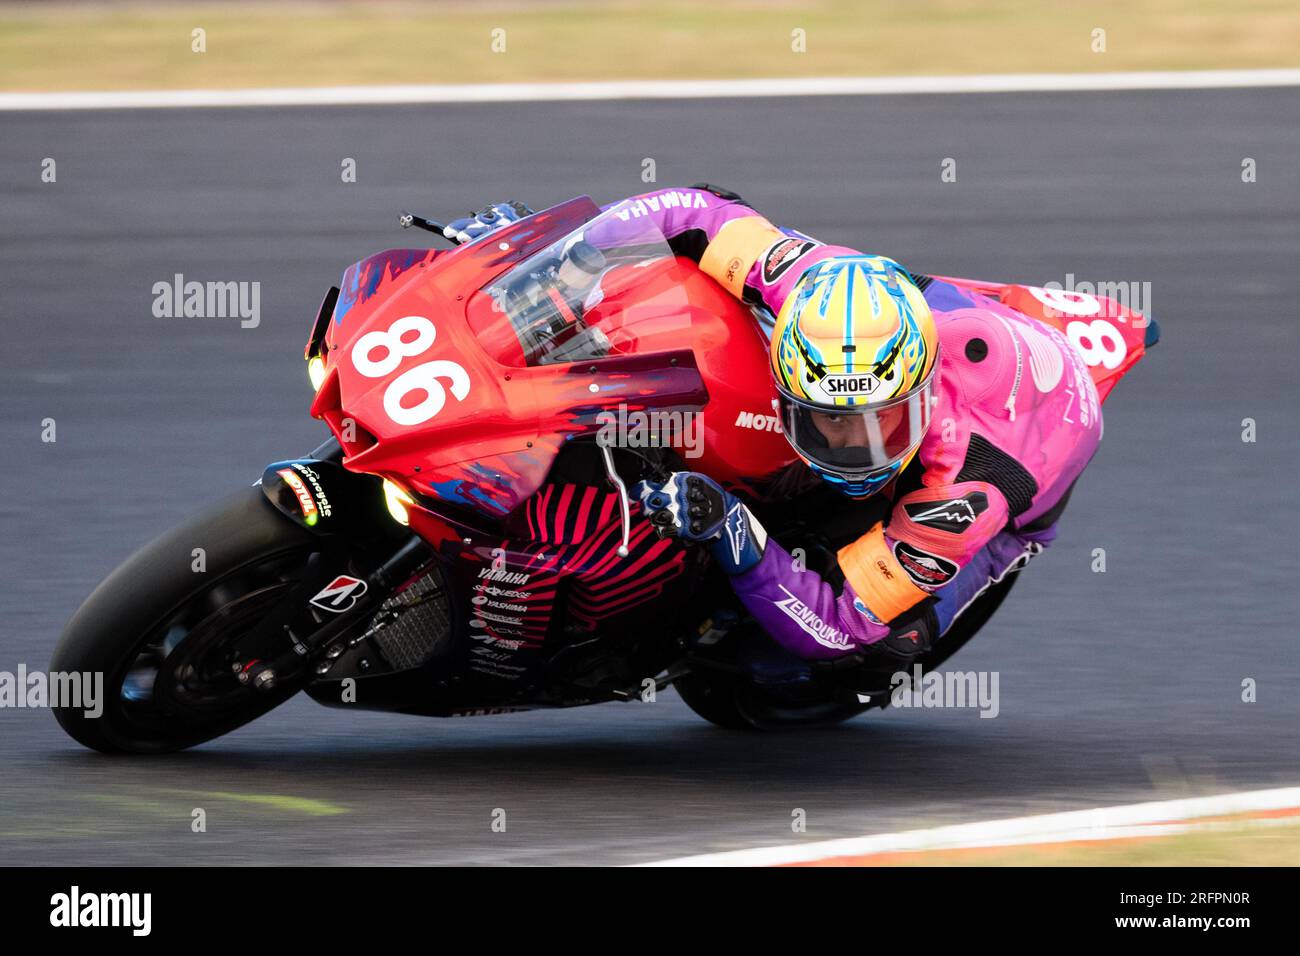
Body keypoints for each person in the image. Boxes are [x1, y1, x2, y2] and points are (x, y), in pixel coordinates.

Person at [446, 186, 1102, 672]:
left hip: (1034, 441)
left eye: (880, 423)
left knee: (882, 647)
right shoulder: (807, 281)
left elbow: (842, 625)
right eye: (823, 421)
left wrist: (736, 533)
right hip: (951, 322)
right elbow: (690, 210)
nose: (850, 449)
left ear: (921, 393)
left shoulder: (969, 490)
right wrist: (565, 259)